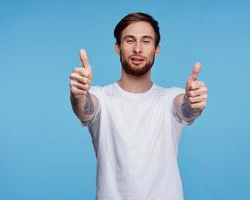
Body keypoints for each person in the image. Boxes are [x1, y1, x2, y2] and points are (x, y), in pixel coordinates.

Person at [69, 12, 208, 200]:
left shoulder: (170, 98)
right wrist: (78, 94)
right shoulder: (100, 97)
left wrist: (193, 103)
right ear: (117, 47)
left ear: (156, 49)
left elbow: (186, 109)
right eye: (129, 40)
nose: (137, 49)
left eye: (146, 41)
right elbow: (84, 108)